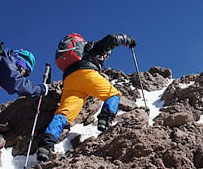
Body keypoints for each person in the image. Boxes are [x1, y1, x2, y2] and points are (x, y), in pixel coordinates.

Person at [37, 33, 137, 161]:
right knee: (113, 94)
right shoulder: (93, 47)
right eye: (106, 55)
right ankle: (104, 121)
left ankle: (45, 146)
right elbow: (112, 39)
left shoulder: (79, 53)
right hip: (86, 73)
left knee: (64, 114)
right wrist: (127, 40)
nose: (105, 57)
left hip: (69, 81)